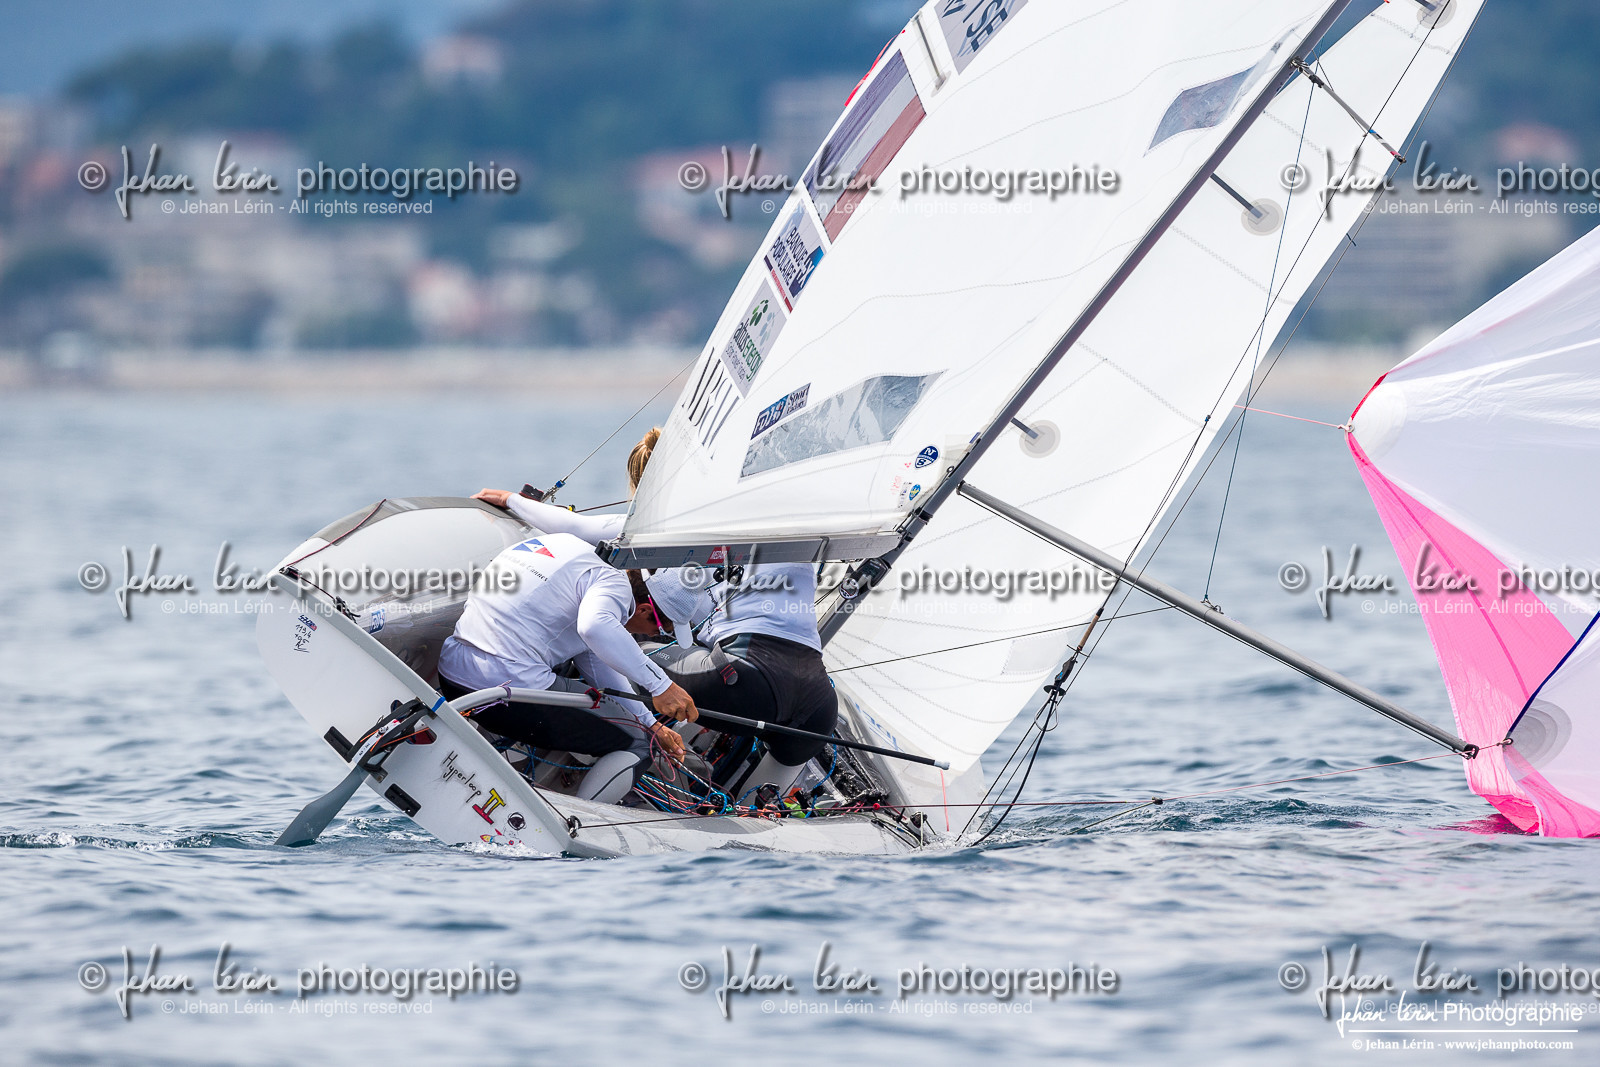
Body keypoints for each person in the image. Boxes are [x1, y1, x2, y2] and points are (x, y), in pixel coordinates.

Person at [472, 427, 837, 804]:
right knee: (765, 786)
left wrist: (512, 500)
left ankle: (605, 770)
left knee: (619, 643)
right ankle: (750, 808)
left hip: (743, 681)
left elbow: (574, 527)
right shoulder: (793, 515)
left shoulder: (679, 523)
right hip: (818, 706)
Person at [436, 528, 697, 805]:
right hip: (506, 693)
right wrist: (662, 687)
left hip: (452, 676)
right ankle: (582, 823)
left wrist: (650, 723)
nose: (652, 636)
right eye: (658, 631)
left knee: (643, 731)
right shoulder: (614, 587)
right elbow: (594, 627)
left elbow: (597, 661)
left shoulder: (571, 547)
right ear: (644, 610)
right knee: (641, 744)